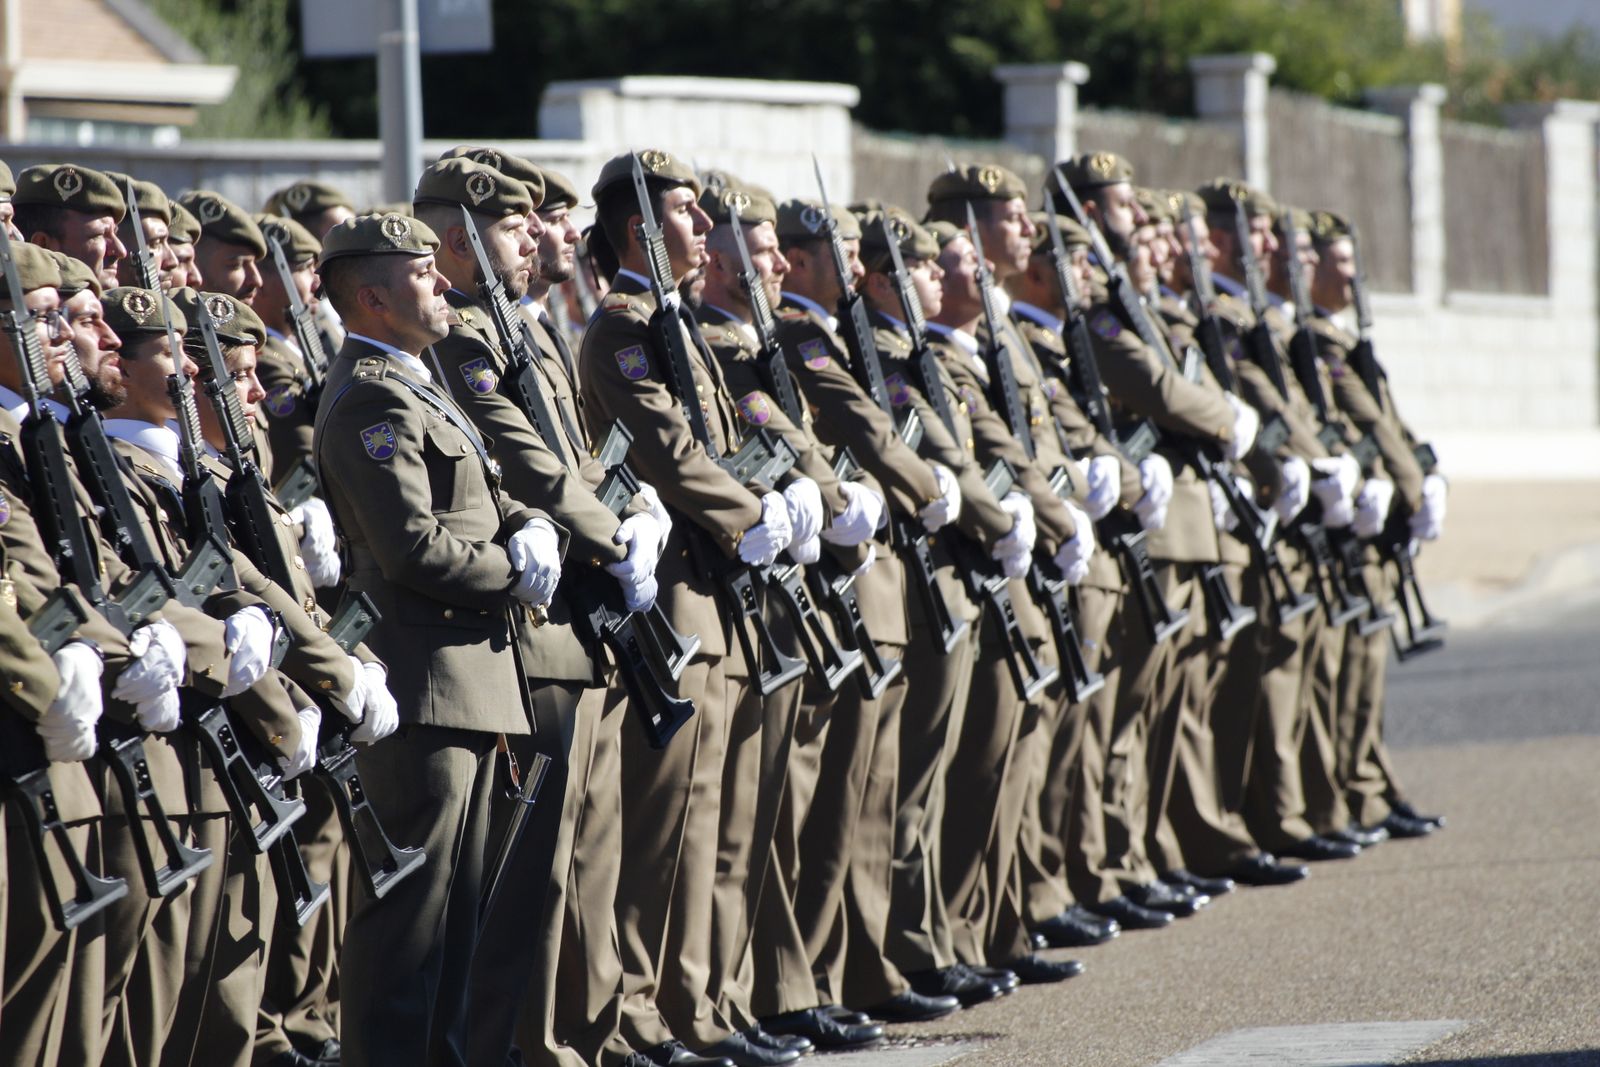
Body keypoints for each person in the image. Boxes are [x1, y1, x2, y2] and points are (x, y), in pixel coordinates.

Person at [310, 211, 566, 1067]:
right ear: (375, 297)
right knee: (409, 930)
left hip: (470, 676)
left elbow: (484, 495)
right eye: (424, 272)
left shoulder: (416, 381)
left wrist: (529, 524)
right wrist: (514, 570)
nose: (445, 284)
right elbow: (411, 545)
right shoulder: (372, 394)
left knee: (456, 923)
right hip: (427, 681)